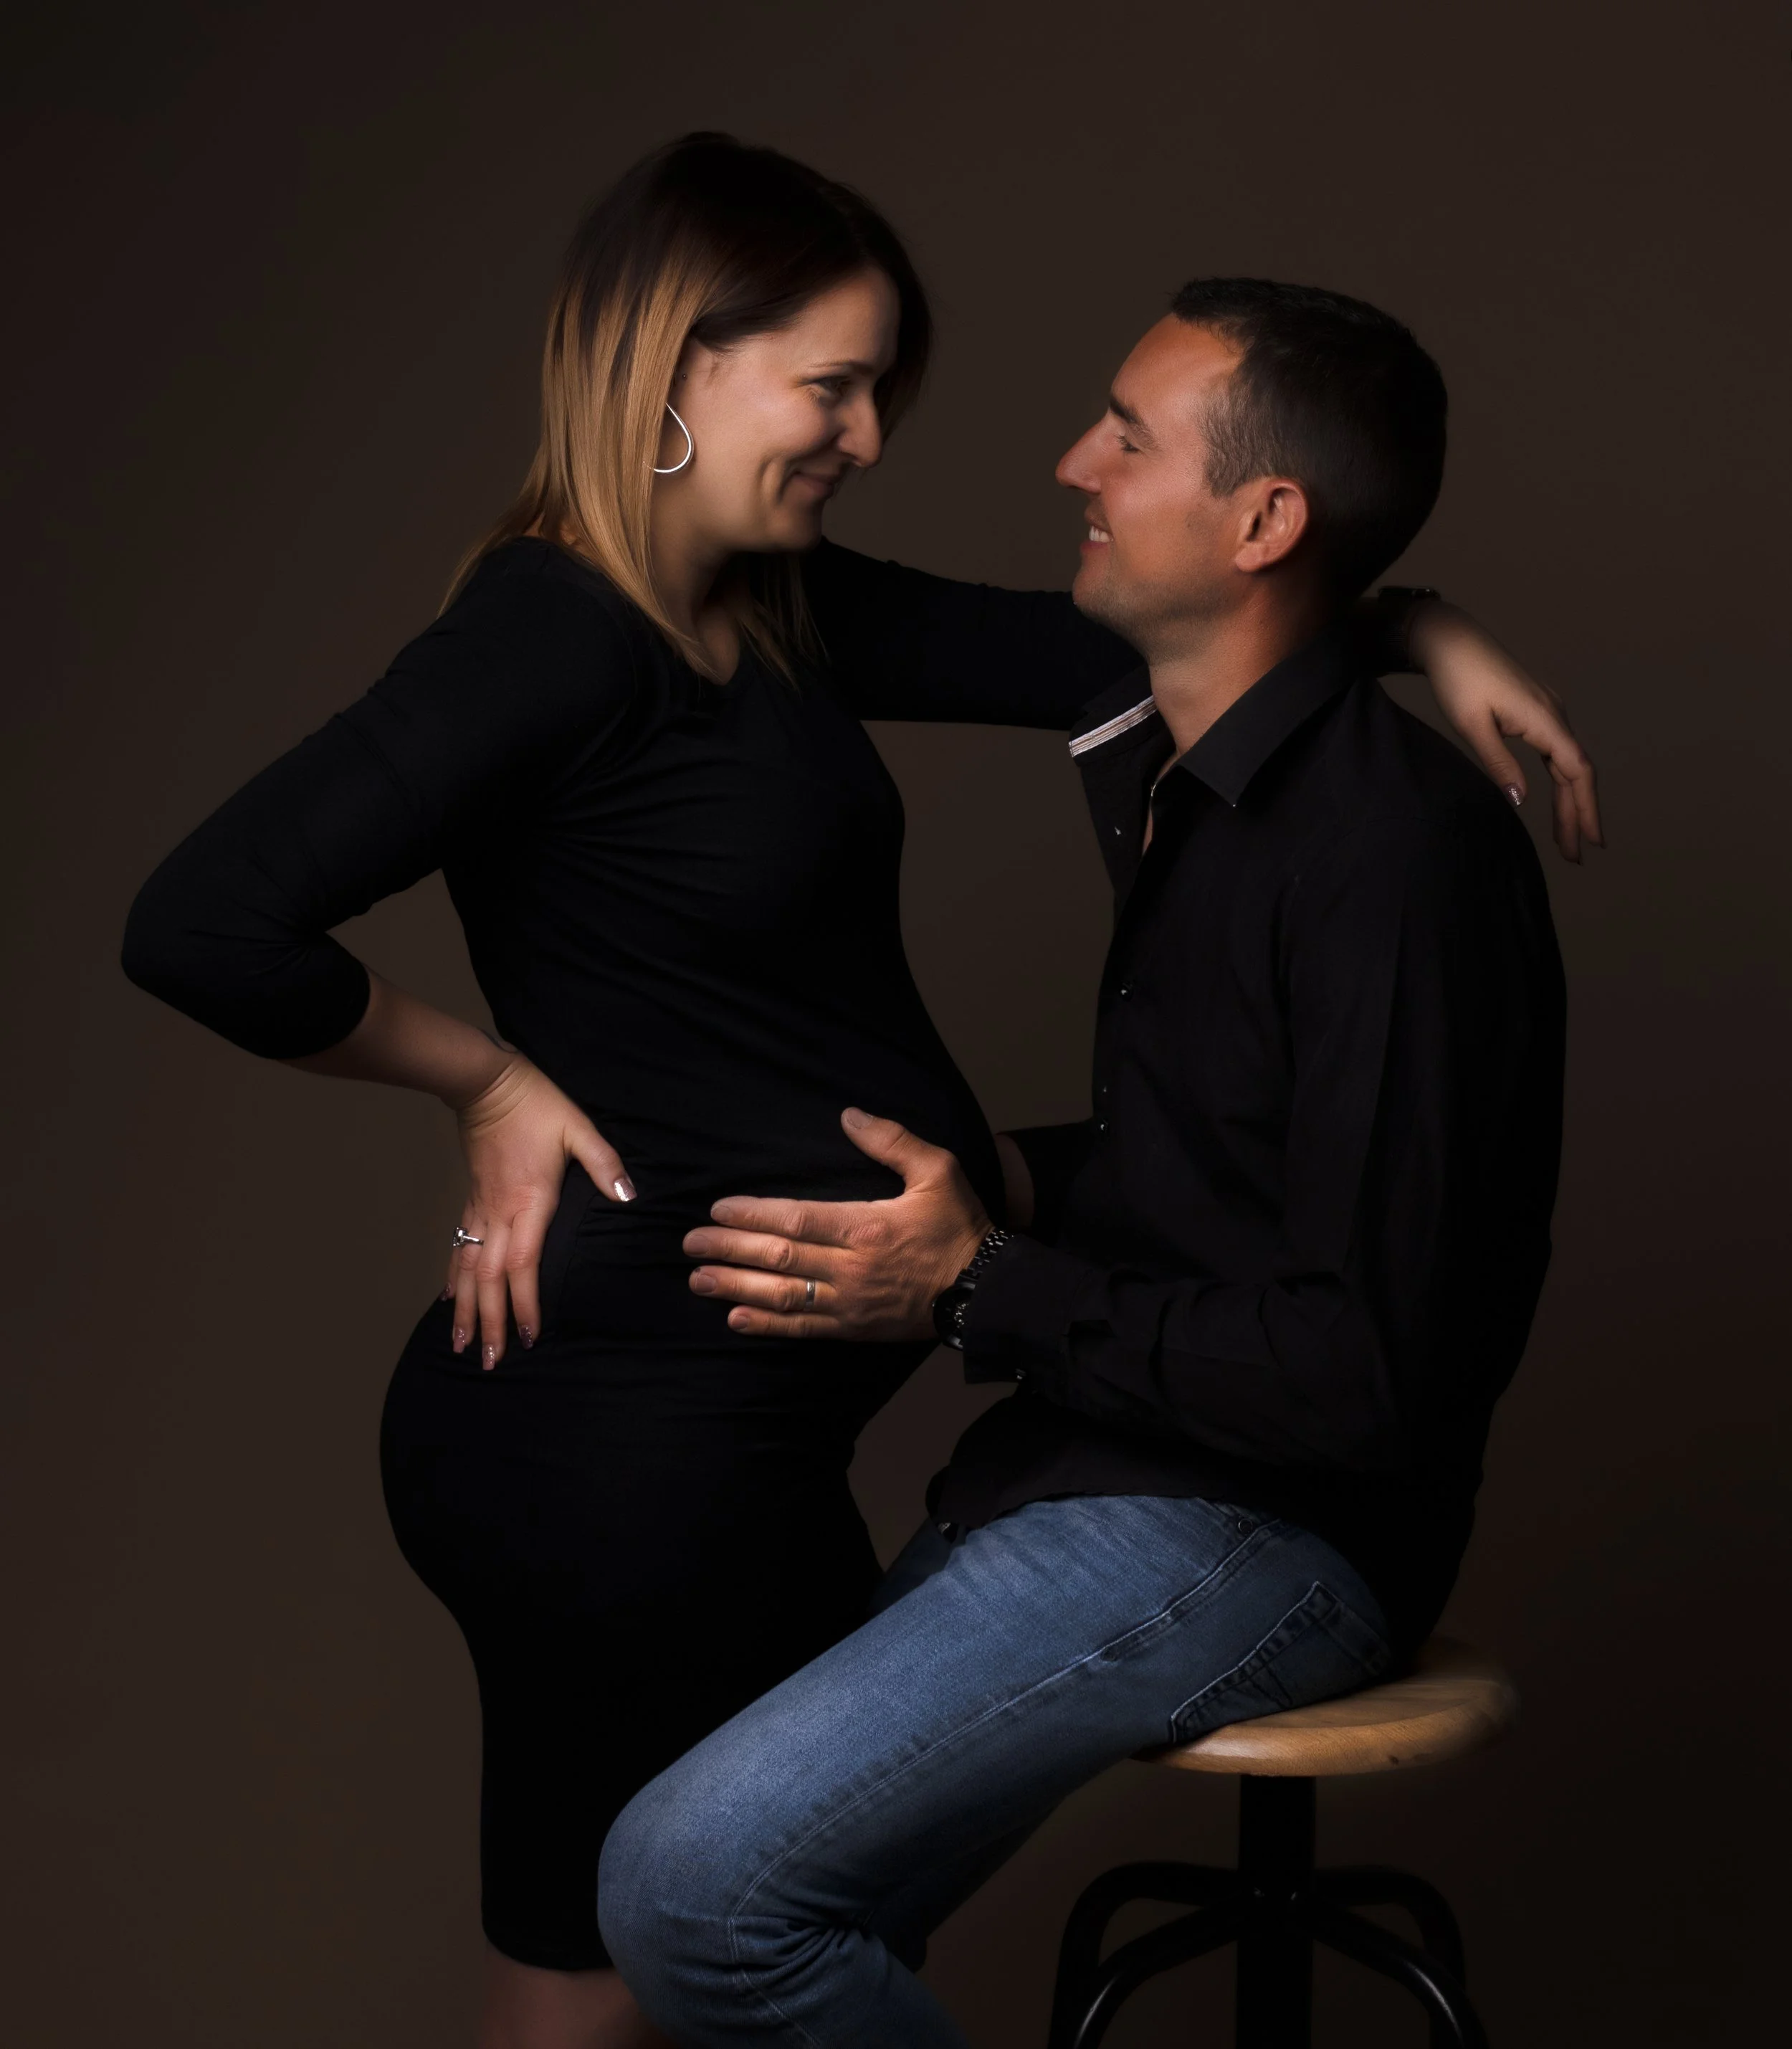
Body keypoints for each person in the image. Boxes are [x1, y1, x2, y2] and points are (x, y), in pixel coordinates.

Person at [120, 130, 1591, 2049]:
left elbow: (1163, 622)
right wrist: (476, 1077)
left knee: (631, 1945)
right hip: (622, 1430)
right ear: (673, 371)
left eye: (881, 386)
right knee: (657, 1924)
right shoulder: (551, 635)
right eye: (831, 383)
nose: (874, 431)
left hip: (775, 1439)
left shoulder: (787, 604)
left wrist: (1412, 621)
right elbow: (202, 920)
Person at [597, 279, 1573, 2048]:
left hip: (1267, 1526)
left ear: (1262, 520)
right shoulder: (1172, 772)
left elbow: (1360, 1367)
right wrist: (997, 1196)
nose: (1071, 463)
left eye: (1125, 436)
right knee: (723, 1928)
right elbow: (1220, 1177)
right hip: (1089, 1473)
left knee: (692, 1891)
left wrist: (975, 1281)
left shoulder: (1394, 862)